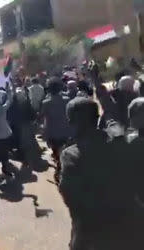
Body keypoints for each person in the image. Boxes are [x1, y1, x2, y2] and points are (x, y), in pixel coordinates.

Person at [59, 97, 140, 249]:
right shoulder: (123, 144)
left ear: (70, 122)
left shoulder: (71, 154)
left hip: (93, 234)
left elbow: (70, 196)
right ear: (97, 118)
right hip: (131, 228)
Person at [41, 77, 72, 182]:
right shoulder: (67, 100)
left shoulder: (46, 102)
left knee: (57, 154)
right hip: (66, 131)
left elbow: (43, 117)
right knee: (64, 153)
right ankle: (62, 169)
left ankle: (59, 169)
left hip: (52, 132)